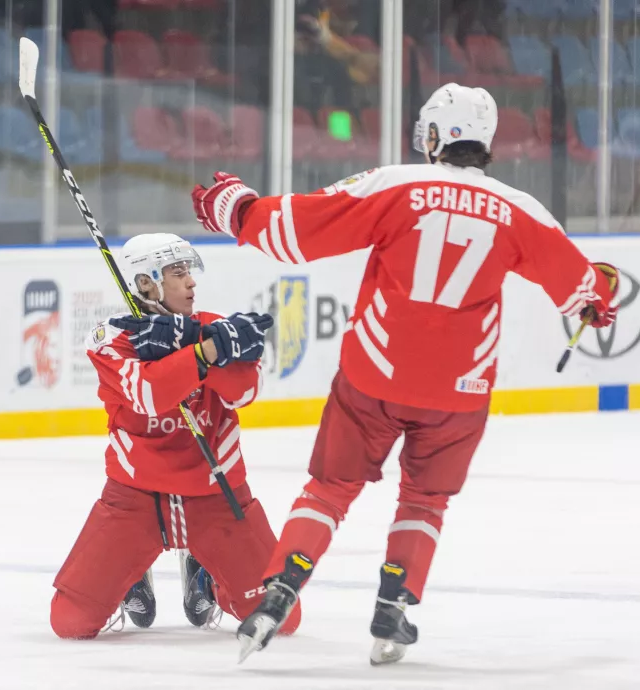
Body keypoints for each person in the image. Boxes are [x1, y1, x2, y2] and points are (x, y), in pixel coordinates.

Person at [191, 83, 621, 665]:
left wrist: (238, 210)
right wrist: (597, 296)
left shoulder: (396, 184)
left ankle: (280, 589)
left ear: (436, 135)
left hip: (375, 376)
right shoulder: (521, 209)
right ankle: (393, 605)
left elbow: (301, 230)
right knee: (425, 499)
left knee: (330, 488)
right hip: (460, 392)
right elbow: (584, 291)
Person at [50, 232, 303, 640]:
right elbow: (148, 395)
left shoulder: (216, 326)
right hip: (135, 498)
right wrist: (205, 352)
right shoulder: (110, 339)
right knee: (70, 621)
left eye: (189, 270)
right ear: (145, 283)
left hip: (216, 494)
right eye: (177, 272)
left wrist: (188, 340)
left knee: (282, 618)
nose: (191, 281)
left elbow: (244, 392)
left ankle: (205, 576)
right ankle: (130, 573)